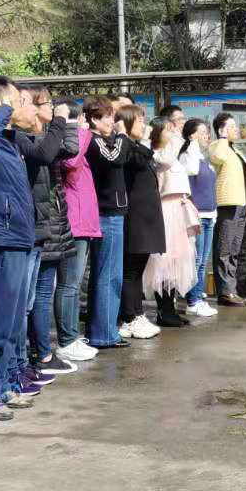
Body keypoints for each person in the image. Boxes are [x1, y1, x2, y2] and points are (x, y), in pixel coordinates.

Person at [0, 79, 56, 420]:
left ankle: (5, 383)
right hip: (3, 239)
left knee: (10, 323)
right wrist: (4, 107)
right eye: (23, 101)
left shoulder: (11, 142)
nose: (30, 108)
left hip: (20, 237)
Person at [26, 87, 80, 376]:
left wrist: (62, 121)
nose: (53, 106)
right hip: (43, 225)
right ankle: (42, 354)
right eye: (48, 103)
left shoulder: (45, 137)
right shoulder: (34, 140)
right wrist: (63, 120)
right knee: (39, 294)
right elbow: (64, 148)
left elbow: (69, 148)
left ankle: (40, 351)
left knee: (40, 292)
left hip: (52, 223)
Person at [84, 97, 134, 347]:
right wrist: (123, 135)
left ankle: (103, 329)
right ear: (94, 119)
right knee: (108, 274)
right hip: (107, 213)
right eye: (109, 117)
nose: (113, 122)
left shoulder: (103, 140)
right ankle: (104, 333)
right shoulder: (94, 141)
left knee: (110, 273)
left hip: (113, 212)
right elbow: (114, 158)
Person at [51, 100, 99, 363]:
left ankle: (71, 336)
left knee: (74, 283)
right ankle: (67, 340)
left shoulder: (77, 138)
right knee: (69, 283)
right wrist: (79, 131)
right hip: (74, 220)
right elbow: (70, 163)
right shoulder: (71, 139)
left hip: (83, 221)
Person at [144, 115, 200, 328]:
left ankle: (170, 308)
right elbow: (166, 159)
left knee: (179, 260)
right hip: (166, 211)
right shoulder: (158, 154)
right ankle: (164, 310)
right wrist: (174, 137)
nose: (173, 133)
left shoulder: (172, 154)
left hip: (178, 209)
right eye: (167, 129)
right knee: (164, 262)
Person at [118, 105, 168, 337]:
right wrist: (146, 140)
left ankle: (137, 313)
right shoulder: (126, 146)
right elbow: (138, 162)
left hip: (145, 216)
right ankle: (130, 317)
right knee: (131, 269)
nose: (144, 125)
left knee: (138, 269)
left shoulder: (136, 146)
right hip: (134, 216)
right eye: (139, 120)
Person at [208, 112, 246, 307]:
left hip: (240, 204)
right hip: (227, 204)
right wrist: (223, 138)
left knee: (234, 249)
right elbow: (218, 158)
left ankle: (231, 290)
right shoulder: (217, 146)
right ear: (221, 130)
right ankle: (225, 292)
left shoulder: (236, 150)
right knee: (224, 249)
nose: (236, 129)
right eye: (231, 126)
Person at [179, 119, 219, 317]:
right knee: (196, 261)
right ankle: (193, 301)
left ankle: (199, 298)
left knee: (203, 261)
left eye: (207, 132)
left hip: (209, 214)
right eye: (202, 132)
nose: (206, 136)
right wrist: (192, 144)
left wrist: (214, 212)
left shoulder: (203, 157)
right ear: (192, 135)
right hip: (197, 215)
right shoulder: (188, 156)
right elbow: (191, 171)